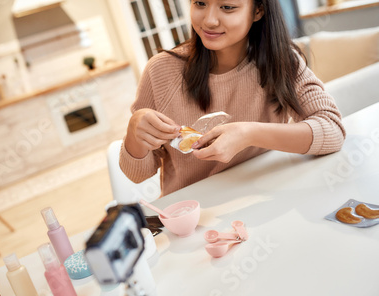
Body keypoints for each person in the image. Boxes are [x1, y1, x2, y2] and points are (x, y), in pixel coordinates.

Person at [120, 0, 345, 196]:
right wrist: (134, 134)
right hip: (193, 216)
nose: (209, 20)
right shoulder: (161, 71)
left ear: (258, 11)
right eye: (200, 3)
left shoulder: (283, 61)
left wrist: (249, 134)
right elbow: (138, 174)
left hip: (263, 198)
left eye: (227, 7)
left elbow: (332, 131)